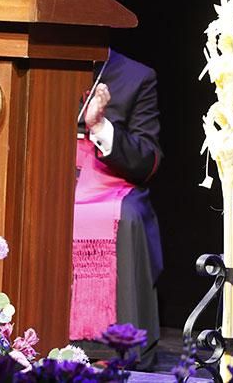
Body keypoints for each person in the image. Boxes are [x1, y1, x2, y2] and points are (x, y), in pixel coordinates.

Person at [73, 47, 162, 369]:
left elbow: (147, 159)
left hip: (109, 180)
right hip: (45, 172)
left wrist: (99, 127)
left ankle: (113, 348)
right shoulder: (32, 57)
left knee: (126, 217)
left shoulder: (135, 76)